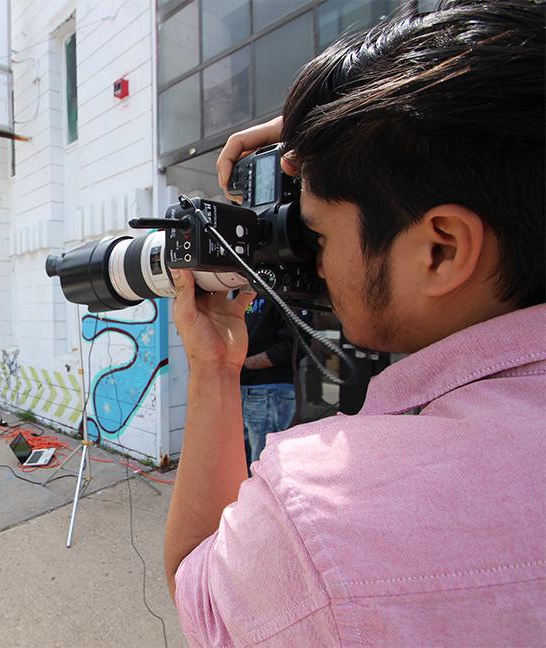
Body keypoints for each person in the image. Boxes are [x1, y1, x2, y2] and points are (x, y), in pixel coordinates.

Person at [165, 2, 545, 645]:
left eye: (317, 232)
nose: (310, 258)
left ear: (440, 249)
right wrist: (386, 131)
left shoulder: (320, 519)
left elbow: (198, 592)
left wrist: (212, 368)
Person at [238, 296, 299, 466]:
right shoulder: (241, 289)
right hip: (242, 387)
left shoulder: (282, 294)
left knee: (264, 464)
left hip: (269, 390)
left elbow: (293, 346)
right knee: (245, 461)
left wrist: (244, 364)